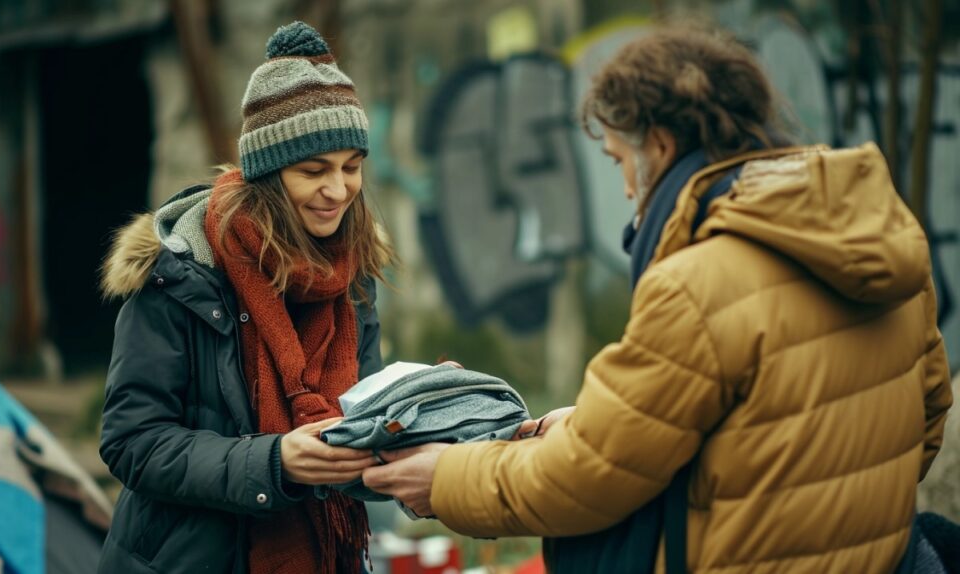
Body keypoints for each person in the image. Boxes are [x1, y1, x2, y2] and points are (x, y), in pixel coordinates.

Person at [363, 25, 952, 572]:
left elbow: (586, 481)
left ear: (662, 147)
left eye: (620, 160)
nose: (622, 188)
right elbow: (919, 420)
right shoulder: (880, 237)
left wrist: (445, 478)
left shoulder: (699, 282)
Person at [97, 21, 393, 574]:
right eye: (314, 171)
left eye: (352, 168)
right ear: (268, 176)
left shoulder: (352, 275)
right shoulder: (181, 273)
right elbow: (132, 441)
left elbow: (362, 420)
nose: (338, 191)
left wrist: (422, 414)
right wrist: (274, 461)